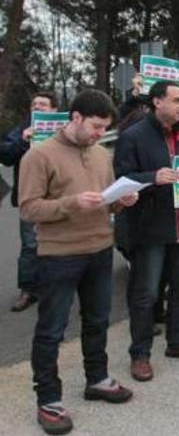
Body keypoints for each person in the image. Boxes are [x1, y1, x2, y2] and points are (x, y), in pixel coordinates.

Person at [19, 89, 137, 435]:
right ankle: (49, 400)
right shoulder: (39, 156)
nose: (101, 134)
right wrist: (71, 203)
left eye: (105, 128)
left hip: (100, 248)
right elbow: (28, 208)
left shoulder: (101, 154)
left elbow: (103, 199)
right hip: (58, 255)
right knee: (51, 329)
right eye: (96, 126)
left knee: (97, 320)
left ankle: (97, 378)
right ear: (75, 118)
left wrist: (120, 201)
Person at [114, 80, 179, 383]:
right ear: (157, 102)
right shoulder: (133, 136)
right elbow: (122, 179)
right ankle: (140, 354)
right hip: (150, 228)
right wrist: (153, 178)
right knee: (146, 294)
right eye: (178, 100)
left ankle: (178, 342)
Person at [1, 92, 58, 312]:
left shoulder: (65, 129)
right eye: (34, 104)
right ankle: (28, 290)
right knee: (30, 245)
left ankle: (56, 286)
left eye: (43, 105)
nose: (38, 108)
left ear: (54, 110)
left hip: (60, 196)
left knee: (60, 242)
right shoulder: (22, 130)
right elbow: (5, 154)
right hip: (30, 197)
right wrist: (23, 139)